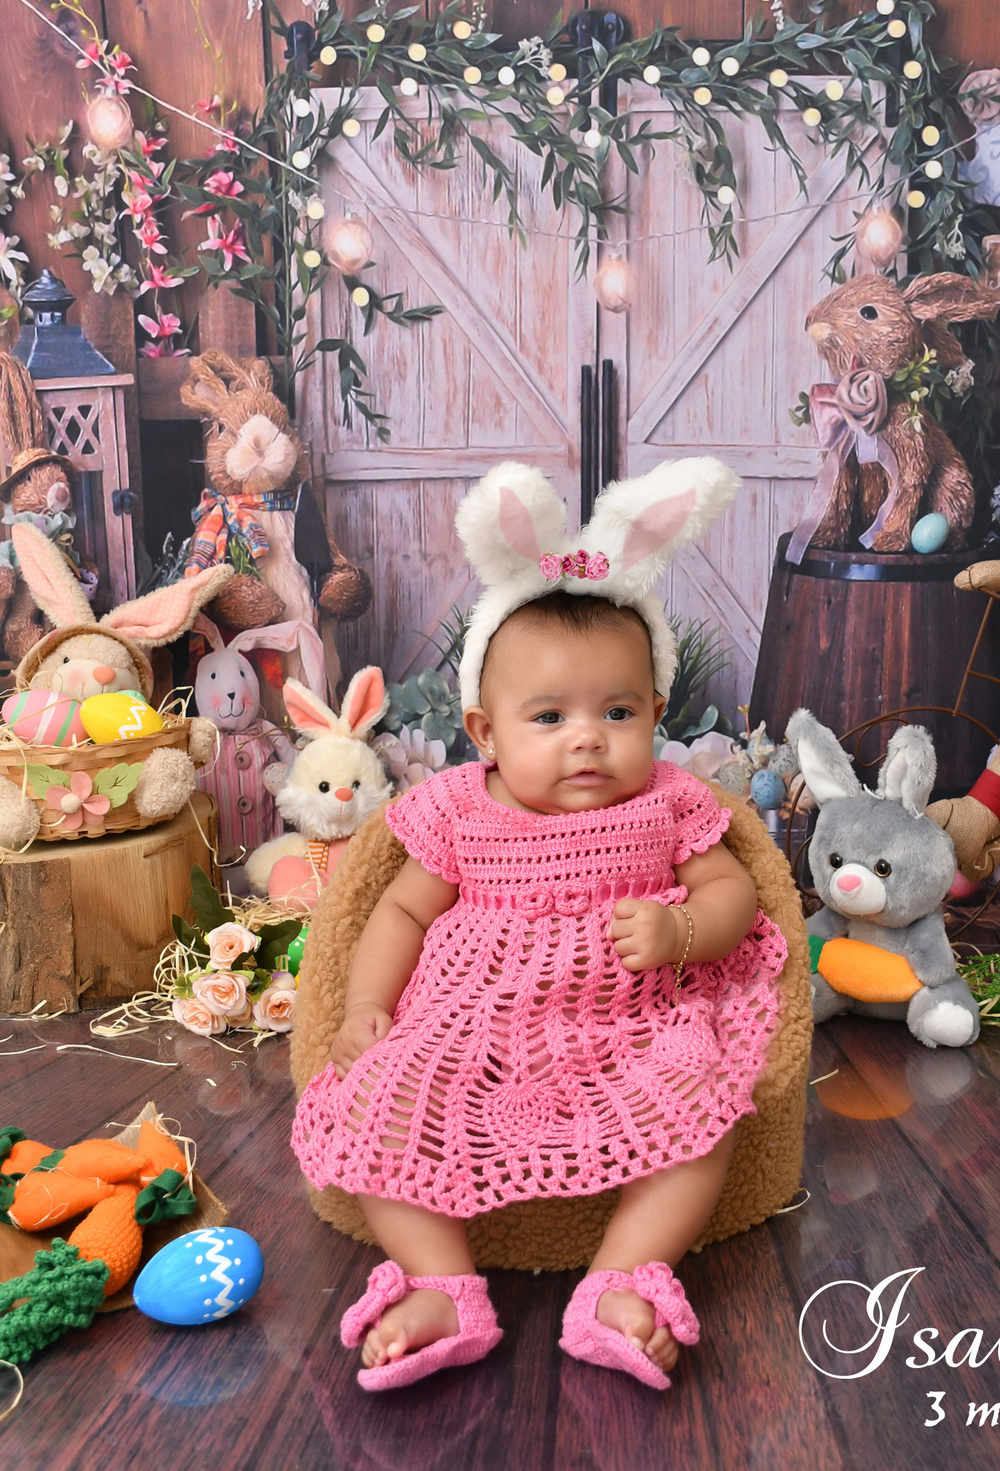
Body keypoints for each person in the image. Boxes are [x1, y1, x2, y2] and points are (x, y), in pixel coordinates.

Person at [292, 458, 789, 1392]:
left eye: (618, 711)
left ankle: (621, 1280)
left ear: (655, 715)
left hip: (629, 1023)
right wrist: (365, 1007)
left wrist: (684, 934)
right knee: (375, 1107)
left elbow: (735, 892)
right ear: (486, 733)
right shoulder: (459, 808)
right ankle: (442, 1286)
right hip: (469, 1027)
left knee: (703, 1110)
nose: (588, 737)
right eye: (550, 716)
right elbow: (397, 908)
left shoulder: (668, 803)